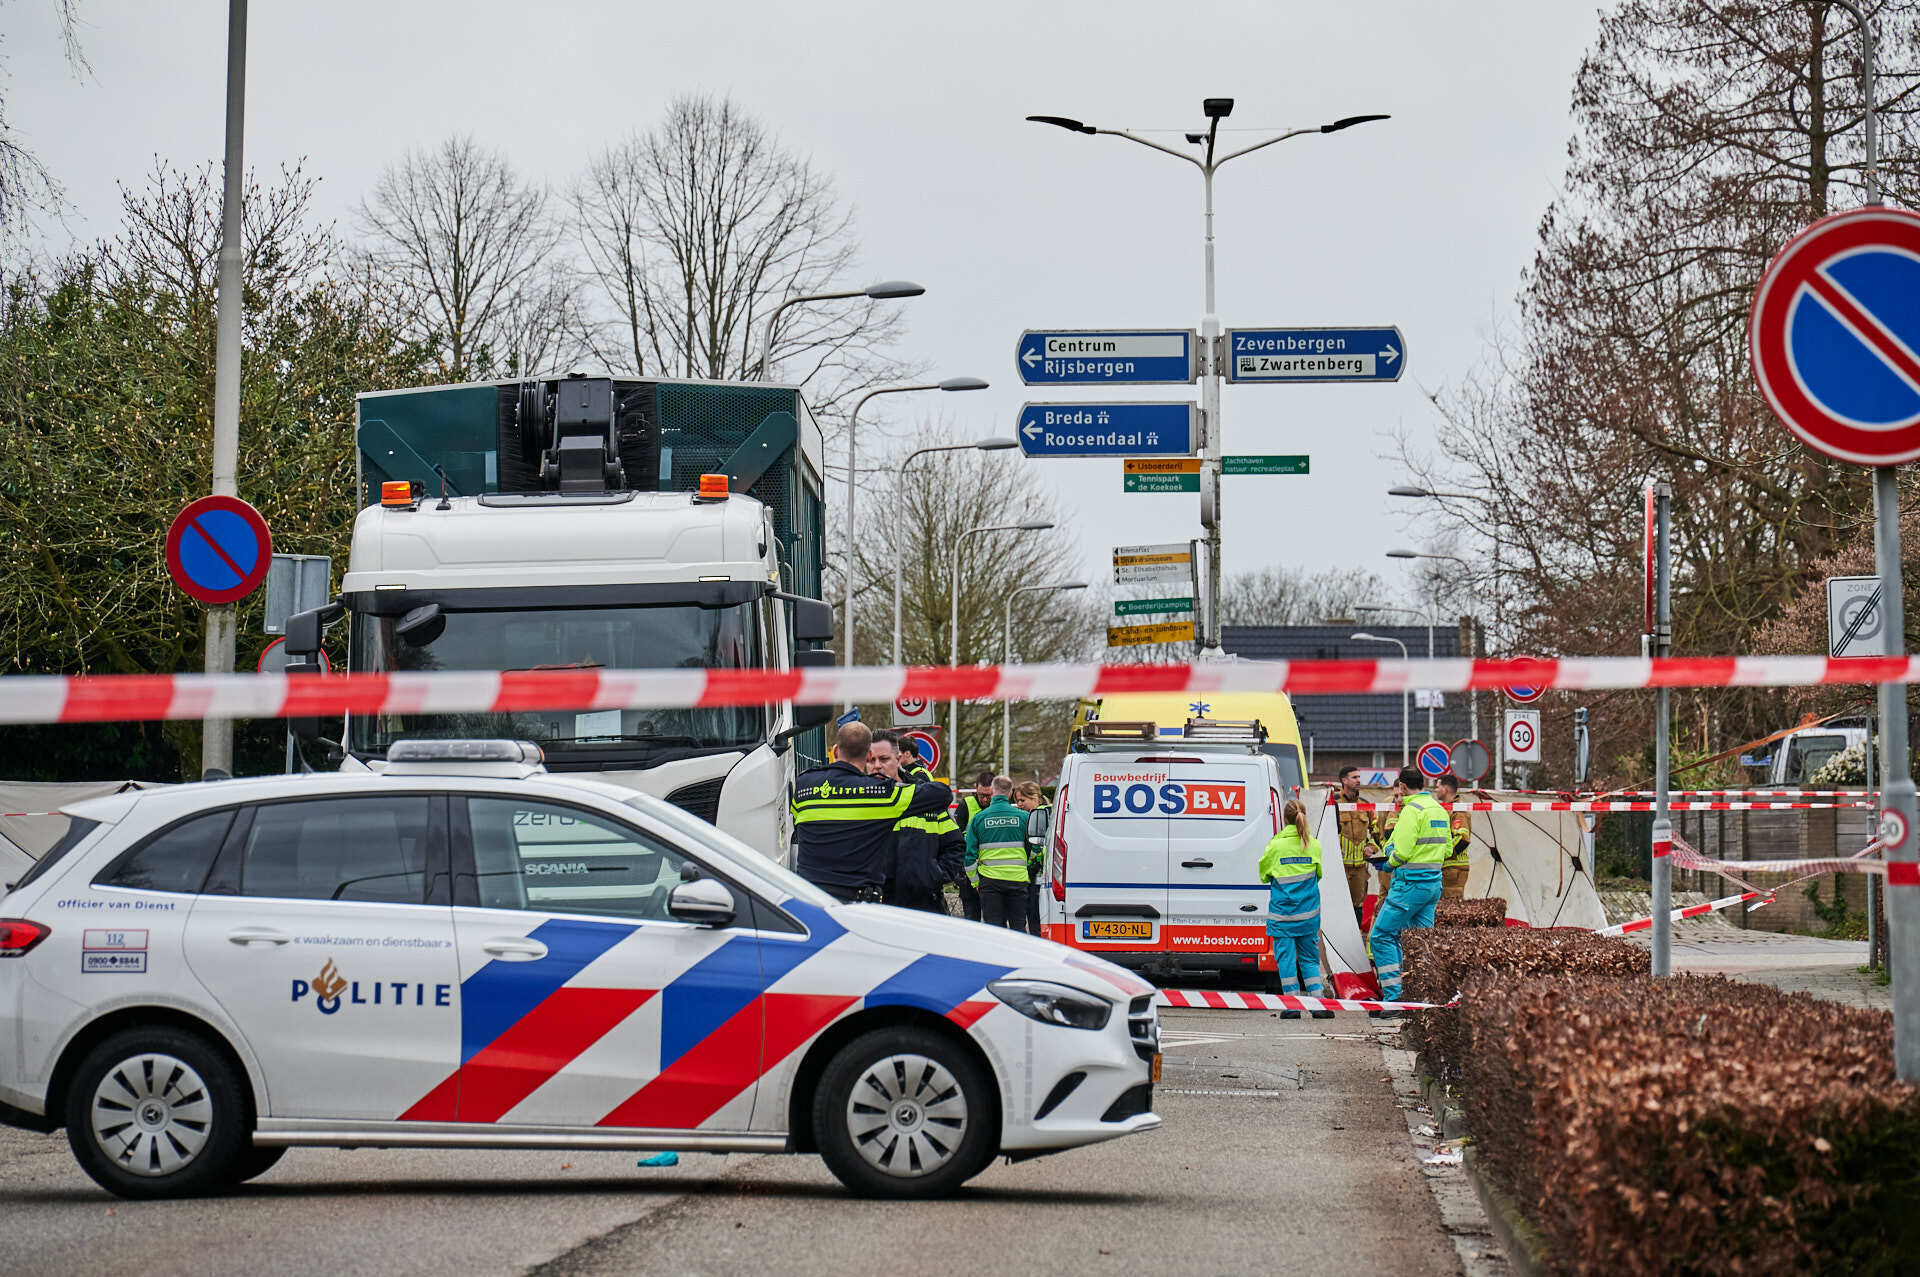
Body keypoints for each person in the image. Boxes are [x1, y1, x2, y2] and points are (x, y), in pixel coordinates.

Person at [792, 721, 951, 903]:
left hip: (809, 900)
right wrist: (900, 776)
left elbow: (798, 822)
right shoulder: (882, 796)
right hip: (855, 903)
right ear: (868, 755)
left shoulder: (804, 786)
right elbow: (942, 794)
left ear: (835, 751)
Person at [1365, 766, 1449, 1017]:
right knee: (1420, 941)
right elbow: (1446, 850)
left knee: (1381, 935)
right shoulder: (1438, 809)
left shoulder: (1412, 811)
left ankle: (1394, 999)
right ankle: (1418, 997)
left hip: (1409, 884)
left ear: (1402, 786)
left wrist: (1387, 863)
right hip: (1432, 884)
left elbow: (1401, 851)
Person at [866, 731, 961, 914]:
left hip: (925, 907)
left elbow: (955, 845)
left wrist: (933, 876)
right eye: (871, 760)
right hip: (878, 910)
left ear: (899, 758)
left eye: (884, 759)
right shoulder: (859, 801)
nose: (877, 766)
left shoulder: (927, 798)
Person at [1258, 799, 1336, 1021]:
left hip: (1283, 915)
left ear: (1285, 819)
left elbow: (1264, 875)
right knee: (1310, 959)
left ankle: (1292, 1005)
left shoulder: (1275, 846)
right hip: (1309, 915)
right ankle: (1317, 1004)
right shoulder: (1314, 844)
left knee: (1286, 959)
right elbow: (1318, 874)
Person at [965, 776, 1030, 929]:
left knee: (994, 931)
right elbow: (1034, 847)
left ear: (992, 791)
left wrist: (976, 882)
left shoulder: (978, 819)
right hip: (1018, 879)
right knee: (1018, 927)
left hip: (990, 881)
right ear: (1010, 793)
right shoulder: (1024, 817)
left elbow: (969, 857)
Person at [1330, 765, 1382, 930]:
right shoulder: (1333, 803)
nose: (1358, 780)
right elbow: (1323, 830)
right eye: (1354, 777)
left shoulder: (1366, 805)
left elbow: (1378, 833)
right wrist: (1332, 848)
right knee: (1337, 906)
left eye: (1359, 777)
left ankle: (1356, 943)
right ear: (1344, 780)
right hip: (1339, 868)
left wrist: (1371, 848)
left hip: (1360, 868)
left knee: (1357, 907)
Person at [951, 769, 995, 921]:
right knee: (971, 916)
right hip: (970, 870)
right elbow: (956, 837)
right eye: (981, 795)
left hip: (993, 870)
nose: (984, 799)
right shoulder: (966, 805)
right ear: (976, 788)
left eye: (988, 795)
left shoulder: (1000, 805)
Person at [1013, 781, 1050, 937]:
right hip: (1042, 871)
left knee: (1034, 912)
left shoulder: (1039, 814)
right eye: (1017, 801)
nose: (1019, 805)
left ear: (1035, 798)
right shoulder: (1046, 811)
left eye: (1022, 800)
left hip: (1037, 871)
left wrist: (1026, 865)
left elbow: (1036, 846)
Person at [1433, 773, 1473, 900]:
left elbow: (1462, 839)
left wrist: (1441, 853)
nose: (1435, 790)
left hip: (1454, 869)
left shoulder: (1458, 811)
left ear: (1446, 789)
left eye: (1437, 786)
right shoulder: (1446, 809)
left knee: (1452, 907)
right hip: (1448, 869)